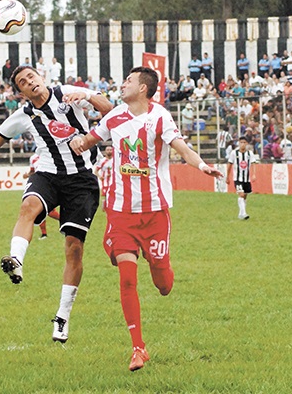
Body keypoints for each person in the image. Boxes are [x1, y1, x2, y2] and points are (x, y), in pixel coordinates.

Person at [69, 66, 222, 371]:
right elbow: (88, 141)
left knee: (163, 284)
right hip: (121, 212)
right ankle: (138, 348)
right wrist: (76, 142)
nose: (122, 84)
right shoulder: (113, 117)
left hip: (154, 214)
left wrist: (202, 166)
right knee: (127, 278)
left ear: (143, 89)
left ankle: (158, 263)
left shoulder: (160, 116)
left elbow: (181, 147)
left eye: (129, 80)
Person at [0, 65, 112, 343]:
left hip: (82, 181)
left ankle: (62, 316)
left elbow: (108, 109)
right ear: (21, 92)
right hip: (47, 175)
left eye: (32, 77)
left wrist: (86, 94)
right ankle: (16, 259)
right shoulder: (24, 115)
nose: (30, 82)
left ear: (41, 77)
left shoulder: (68, 93)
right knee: (27, 208)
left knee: (74, 248)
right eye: (23, 82)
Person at [22, 150, 60, 239]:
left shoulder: (49, 155)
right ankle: (44, 234)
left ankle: (64, 221)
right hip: (40, 185)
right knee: (38, 210)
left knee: (50, 212)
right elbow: (32, 171)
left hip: (52, 184)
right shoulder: (33, 158)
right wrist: (27, 175)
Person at [226, 136, 258, 220]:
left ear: (247, 144)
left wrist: (254, 174)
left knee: (244, 196)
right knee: (241, 194)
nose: (242, 144)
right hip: (237, 178)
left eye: (244, 142)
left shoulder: (249, 153)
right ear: (238, 143)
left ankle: (240, 214)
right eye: (241, 142)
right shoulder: (234, 153)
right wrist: (227, 176)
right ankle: (244, 213)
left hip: (246, 179)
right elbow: (229, 164)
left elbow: (253, 163)